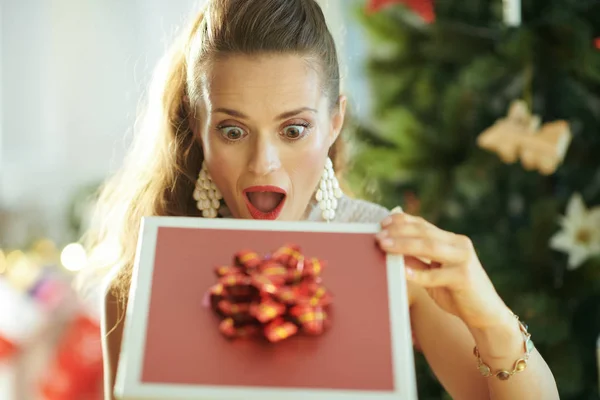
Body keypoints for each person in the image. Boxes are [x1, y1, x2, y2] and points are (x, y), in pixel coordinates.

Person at [87, 0, 559, 399]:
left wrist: (490, 317)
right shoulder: (137, 285)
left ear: (334, 122)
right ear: (197, 126)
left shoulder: (396, 262)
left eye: (294, 130)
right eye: (233, 130)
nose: (263, 164)